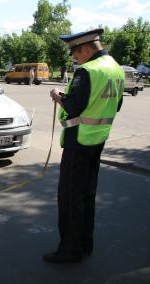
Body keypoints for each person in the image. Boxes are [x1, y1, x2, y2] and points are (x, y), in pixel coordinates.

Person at [44, 28, 124, 263]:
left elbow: (74, 107)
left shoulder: (87, 71)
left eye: (75, 53)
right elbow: (116, 106)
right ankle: (85, 243)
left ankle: (70, 249)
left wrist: (58, 96)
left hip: (78, 141)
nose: (74, 58)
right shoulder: (115, 68)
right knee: (87, 195)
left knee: (70, 197)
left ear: (87, 49)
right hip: (98, 140)